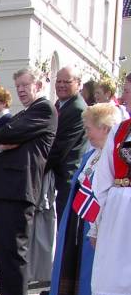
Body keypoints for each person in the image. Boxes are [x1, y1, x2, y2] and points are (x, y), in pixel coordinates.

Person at [0, 67, 56, 295]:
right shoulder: (27, 113)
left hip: (20, 190)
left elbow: (5, 133)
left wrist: (5, 139)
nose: (22, 90)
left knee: (13, 255)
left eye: (26, 85)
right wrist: (4, 140)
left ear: (38, 85)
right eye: (18, 86)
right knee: (4, 254)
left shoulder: (44, 110)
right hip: (9, 190)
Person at [48, 103, 120, 295]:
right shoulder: (92, 155)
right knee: (81, 286)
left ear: (104, 128)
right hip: (80, 227)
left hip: (99, 231)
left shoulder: (111, 157)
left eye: (89, 128)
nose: (87, 133)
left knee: (95, 289)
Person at [87, 76, 131, 295]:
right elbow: (102, 177)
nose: (126, 96)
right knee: (112, 286)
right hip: (117, 217)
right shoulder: (121, 129)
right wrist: (97, 225)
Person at [47, 66, 88, 223]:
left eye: (67, 81)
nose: (61, 85)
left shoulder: (77, 109)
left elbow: (59, 148)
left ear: (78, 84)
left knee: (60, 227)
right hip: (55, 177)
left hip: (65, 180)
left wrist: (35, 168)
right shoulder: (60, 104)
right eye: (59, 81)